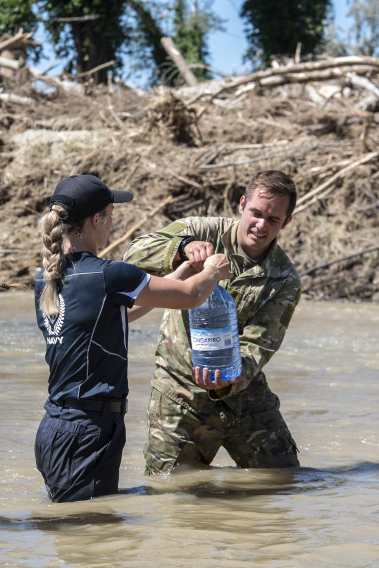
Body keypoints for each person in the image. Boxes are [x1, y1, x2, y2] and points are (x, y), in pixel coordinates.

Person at [34, 174, 232, 502]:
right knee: (93, 538)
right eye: (111, 215)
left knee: (79, 537)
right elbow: (193, 296)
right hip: (88, 431)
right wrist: (213, 270)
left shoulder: (48, 279)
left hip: (56, 427)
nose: (112, 223)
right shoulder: (110, 273)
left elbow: (114, 317)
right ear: (97, 220)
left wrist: (180, 273)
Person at [123, 170, 301, 474]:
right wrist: (182, 249)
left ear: (286, 222)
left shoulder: (284, 279)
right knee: (170, 494)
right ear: (242, 204)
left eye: (273, 220)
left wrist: (227, 380)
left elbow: (258, 345)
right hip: (180, 390)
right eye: (256, 213)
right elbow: (134, 253)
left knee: (283, 481)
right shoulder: (201, 230)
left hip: (243, 394)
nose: (261, 225)